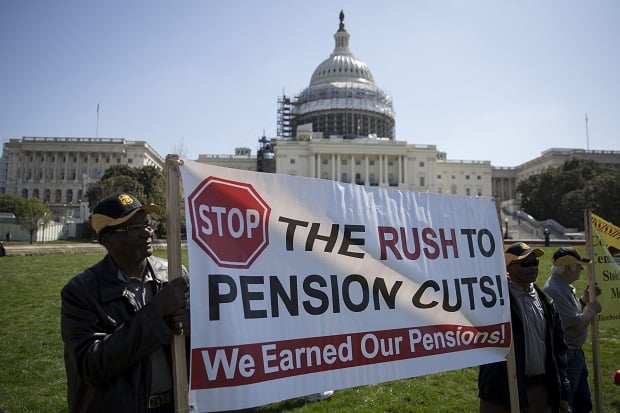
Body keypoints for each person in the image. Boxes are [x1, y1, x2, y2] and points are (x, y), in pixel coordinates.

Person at [61, 193, 189, 413]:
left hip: (173, 405)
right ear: (107, 240)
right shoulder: (81, 292)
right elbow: (92, 365)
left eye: (148, 224)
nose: (147, 231)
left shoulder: (173, 274)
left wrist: (192, 326)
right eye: (133, 228)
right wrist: (156, 312)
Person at [478, 242, 571, 413]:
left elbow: (559, 350)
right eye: (526, 263)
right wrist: (496, 282)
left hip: (540, 391)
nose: (533, 267)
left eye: (535, 263)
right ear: (507, 267)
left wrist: (563, 391)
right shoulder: (495, 299)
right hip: (502, 393)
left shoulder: (546, 301)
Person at [543, 247, 602, 413]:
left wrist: (583, 300)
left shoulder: (562, 286)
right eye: (578, 266)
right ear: (568, 268)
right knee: (567, 405)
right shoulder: (554, 290)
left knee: (582, 404)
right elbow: (576, 324)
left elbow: (570, 315)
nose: (581, 270)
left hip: (575, 354)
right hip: (567, 356)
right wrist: (592, 308)